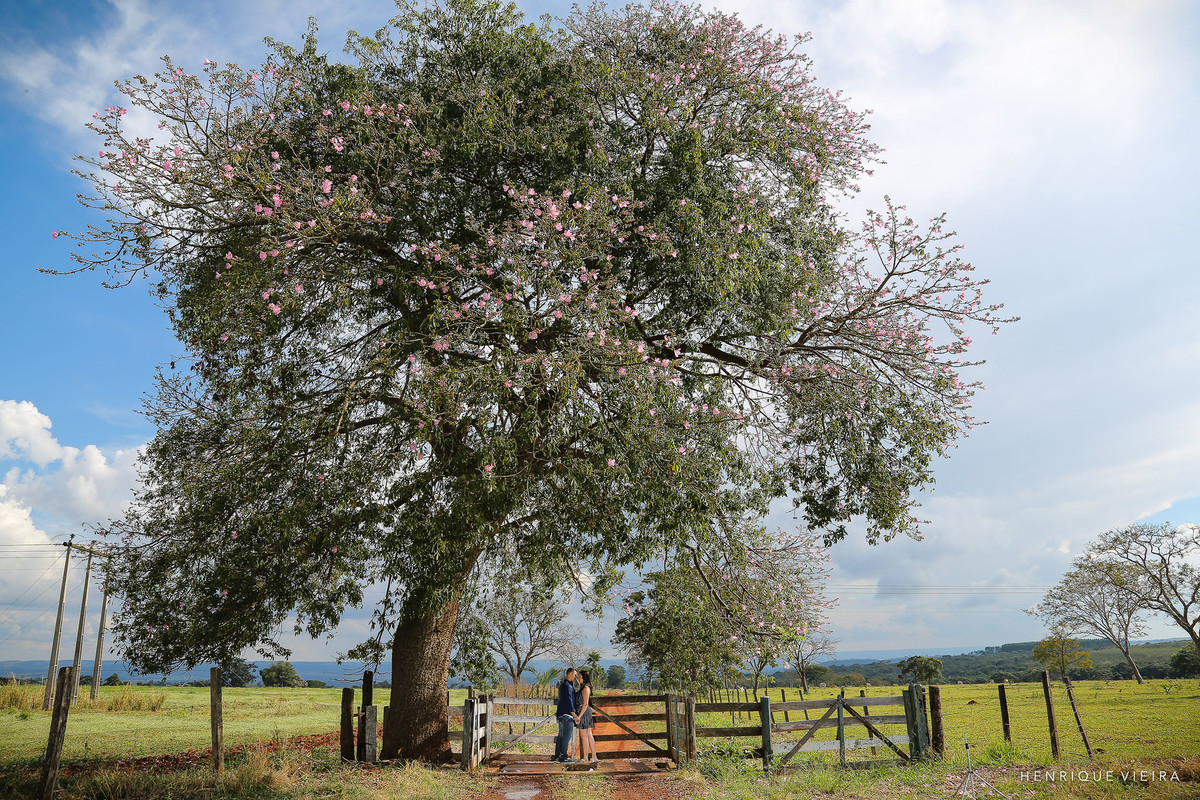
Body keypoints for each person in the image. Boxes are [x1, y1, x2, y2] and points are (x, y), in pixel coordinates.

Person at [553, 667, 580, 762]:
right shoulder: (567, 686)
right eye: (575, 674)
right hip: (566, 715)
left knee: (561, 735)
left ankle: (557, 755)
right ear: (570, 674)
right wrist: (574, 715)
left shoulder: (565, 685)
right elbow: (569, 701)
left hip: (561, 714)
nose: (576, 677)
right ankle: (563, 756)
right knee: (566, 736)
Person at [577, 669, 598, 764]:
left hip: (584, 712)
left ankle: (587, 757)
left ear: (584, 678)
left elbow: (585, 704)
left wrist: (579, 716)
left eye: (580, 677)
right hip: (584, 712)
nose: (579, 678)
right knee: (587, 734)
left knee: (585, 735)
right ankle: (593, 756)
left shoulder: (586, 688)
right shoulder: (583, 687)